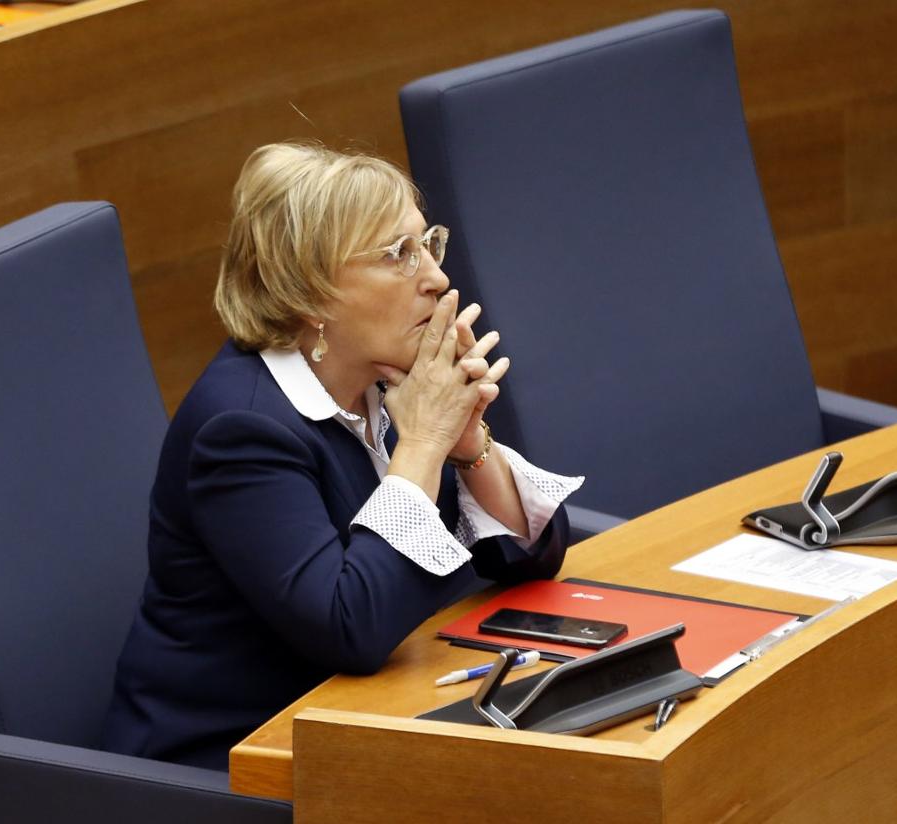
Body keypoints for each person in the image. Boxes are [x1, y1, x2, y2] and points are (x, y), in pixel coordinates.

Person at [100, 142, 582, 769]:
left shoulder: (382, 381)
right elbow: (349, 627)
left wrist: (467, 448)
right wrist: (424, 446)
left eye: (427, 244)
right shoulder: (241, 430)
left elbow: (531, 562)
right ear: (308, 292)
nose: (436, 278)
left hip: (373, 726)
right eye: (397, 255)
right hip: (234, 771)